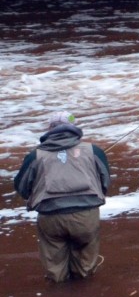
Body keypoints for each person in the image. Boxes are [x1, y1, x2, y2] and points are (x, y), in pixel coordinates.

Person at [13, 113, 109, 283]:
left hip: (50, 218)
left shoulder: (35, 155)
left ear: (49, 129)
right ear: (74, 129)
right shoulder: (93, 151)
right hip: (86, 216)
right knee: (85, 271)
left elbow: (22, 187)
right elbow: (105, 182)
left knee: (55, 271)